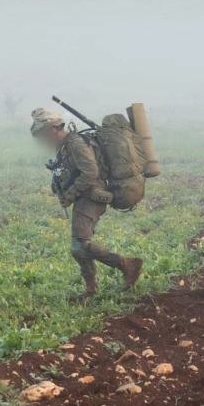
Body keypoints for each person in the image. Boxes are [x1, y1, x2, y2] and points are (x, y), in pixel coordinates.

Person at [30, 108, 144, 301]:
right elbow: (72, 171)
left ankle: (126, 264)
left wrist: (70, 194)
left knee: (79, 245)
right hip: (85, 197)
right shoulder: (66, 146)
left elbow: (90, 173)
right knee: (79, 245)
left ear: (52, 130)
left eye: (43, 135)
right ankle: (91, 287)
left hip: (92, 197)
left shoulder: (75, 144)